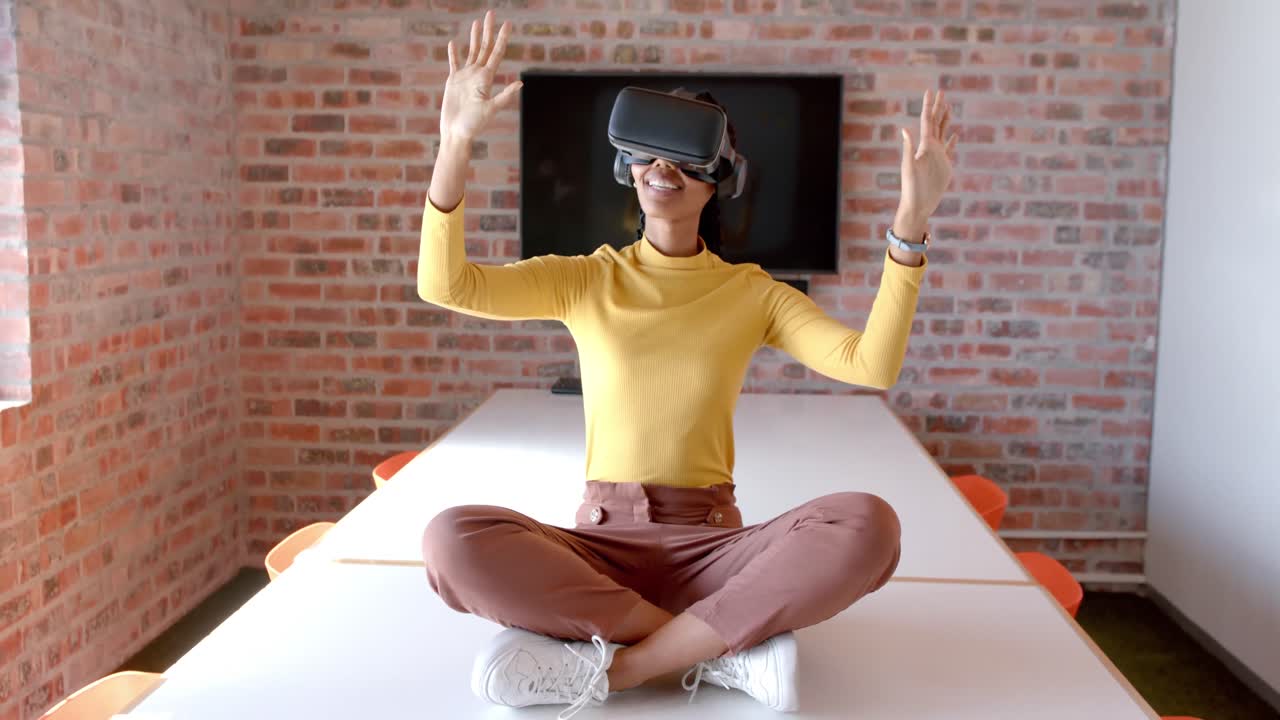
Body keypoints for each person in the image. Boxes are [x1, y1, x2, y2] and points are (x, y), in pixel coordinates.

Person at [419, 11, 957, 719]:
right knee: (451, 540)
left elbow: (871, 363)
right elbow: (447, 284)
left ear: (721, 178)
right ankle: (721, 648)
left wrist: (910, 229)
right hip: (600, 546)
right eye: (647, 151)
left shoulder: (751, 293)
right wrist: (455, 143)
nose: (662, 166)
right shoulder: (588, 279)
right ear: (628, 167)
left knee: (869, 525)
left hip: (715, 549)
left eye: (686, 153)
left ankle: (625, 665)